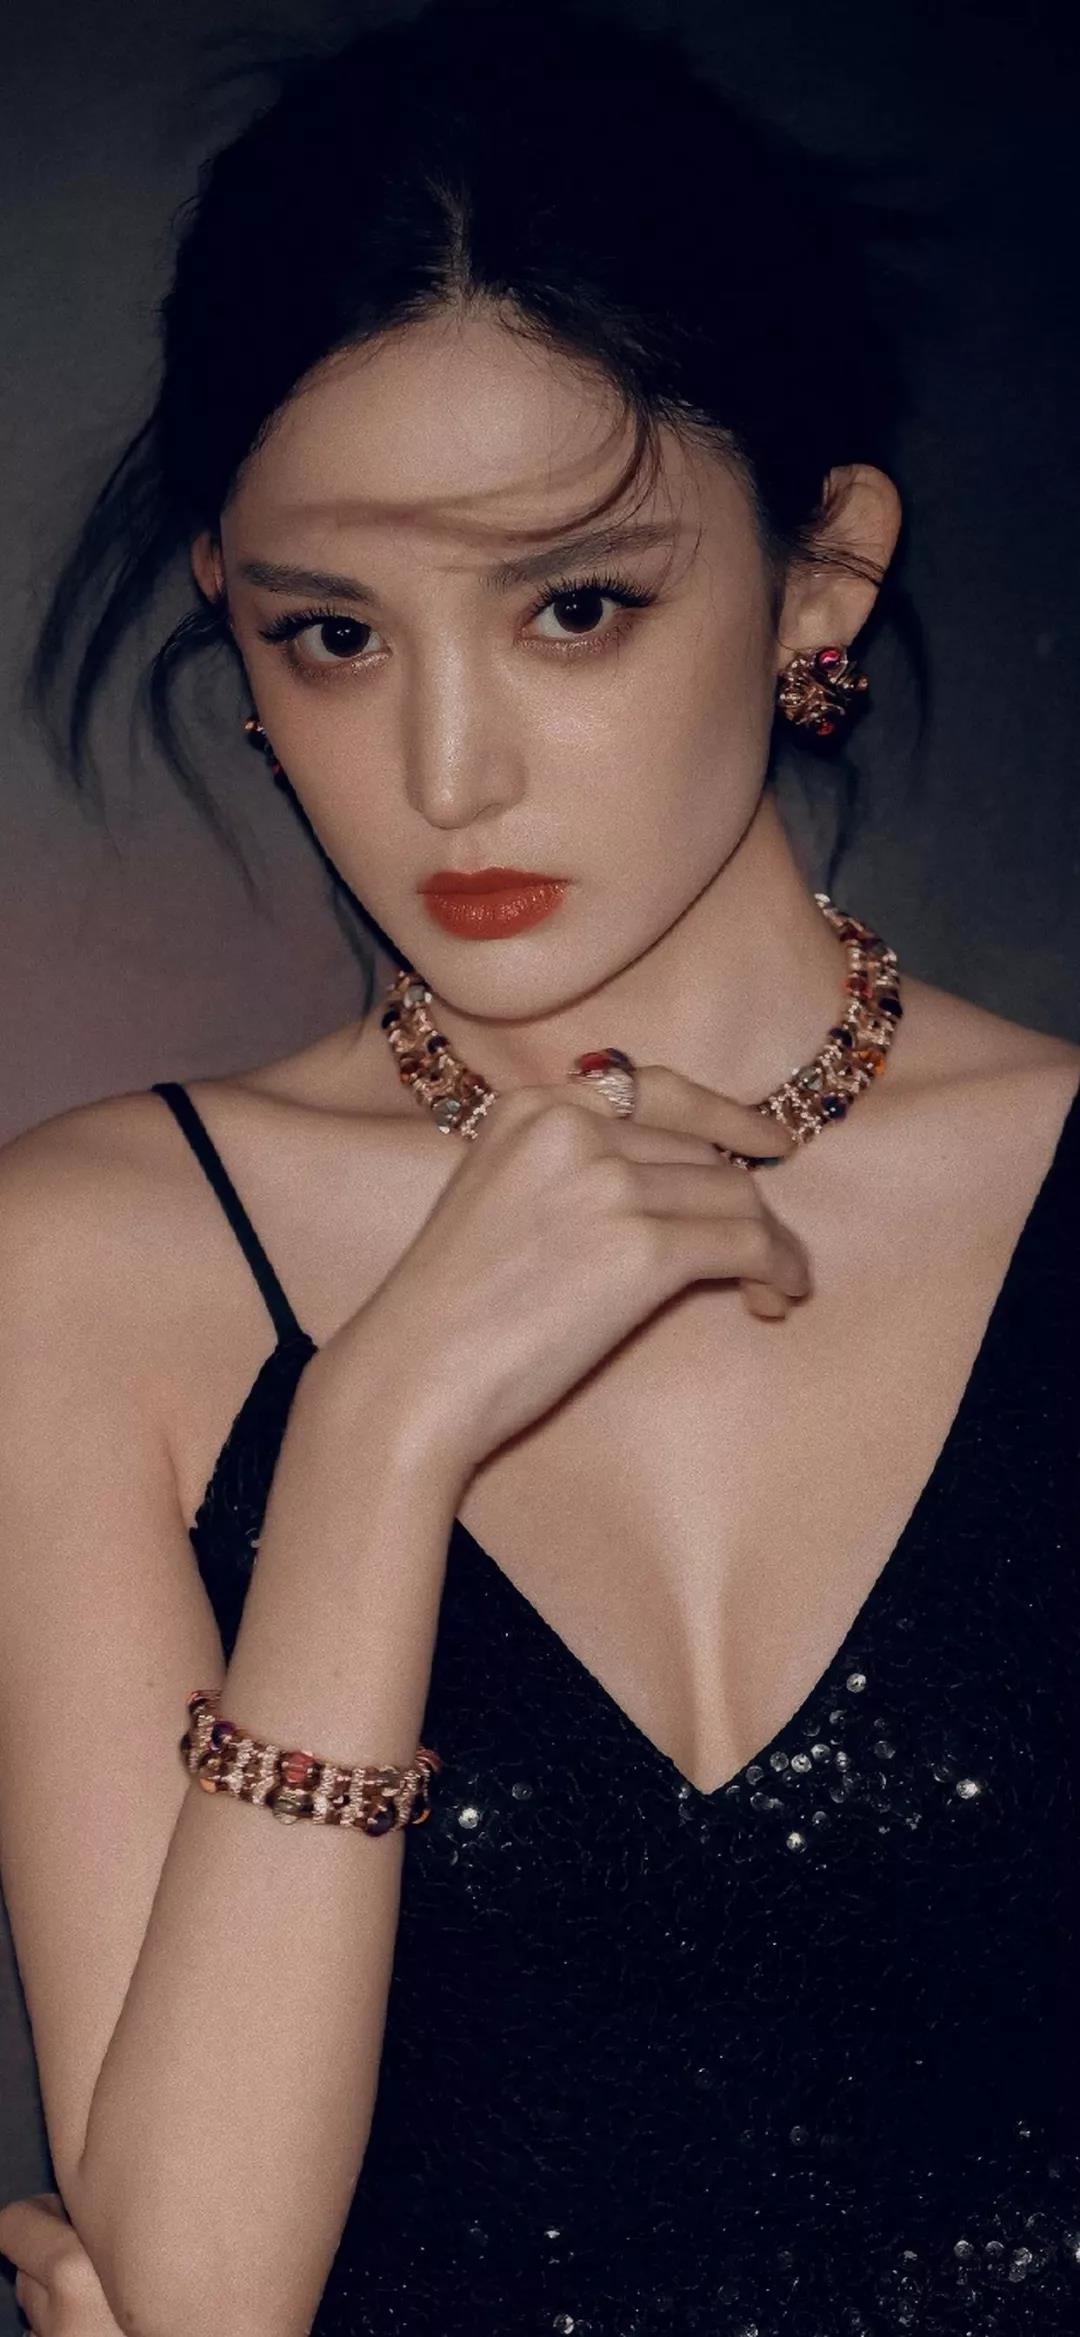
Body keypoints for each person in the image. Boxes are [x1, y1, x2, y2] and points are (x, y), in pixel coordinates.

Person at [0, 2, 1077, 2332]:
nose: (451, 770)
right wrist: (376, 1430)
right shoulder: (92, 1263)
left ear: (821, 576)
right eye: (334, 634)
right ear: (230, 611)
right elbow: (199, 2291)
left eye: (575, 604)